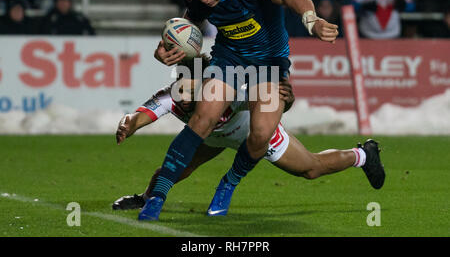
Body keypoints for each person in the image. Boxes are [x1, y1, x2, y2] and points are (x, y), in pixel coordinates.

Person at [144, 0, 371, 222]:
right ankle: (156, 198)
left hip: (269, 67)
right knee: (203, 117)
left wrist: (311, 21)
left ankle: (229, 183)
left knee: (262, 134)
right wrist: (166, 50)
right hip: (228, 61)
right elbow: (184, 31)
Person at [112, 56, 385, 214]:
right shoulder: (172, 95)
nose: (180, 95)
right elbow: (140, 117)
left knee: (311, 169)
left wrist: (286, 100)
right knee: (177, 167)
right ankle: (145, 198)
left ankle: (363, 155)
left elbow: (273, 102)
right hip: (211, 135)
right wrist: (128, 124)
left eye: (188, 88)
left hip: (248, 133)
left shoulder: (232, 91)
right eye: (178, 85)